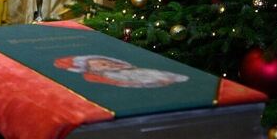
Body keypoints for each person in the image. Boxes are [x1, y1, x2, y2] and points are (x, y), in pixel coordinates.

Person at [53, 54, 189, 88]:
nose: (110, 64)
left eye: (109, 62)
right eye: (103, 65)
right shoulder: (112, 78)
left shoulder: (139, 70)